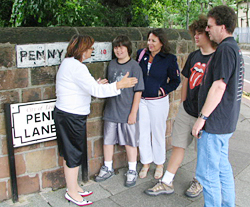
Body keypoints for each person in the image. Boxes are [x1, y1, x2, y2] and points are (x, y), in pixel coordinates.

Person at [54, 34, 138, 206]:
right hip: (71, 116)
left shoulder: (69, 63)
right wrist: (118, 85)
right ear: (82, 49)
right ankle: (71, 192)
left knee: (70, 153)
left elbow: (86, 87)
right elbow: (97, 92)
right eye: (90, 48)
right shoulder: (77, 67)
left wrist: (97, 84)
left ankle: (74, 186)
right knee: (73, 154)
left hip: (66, 114)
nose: (92, 51)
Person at [144, 15, 217, 197]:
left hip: (206, 114)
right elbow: (185, 79)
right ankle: (167, 181)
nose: (196, 37)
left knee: (203, 151)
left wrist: (206, 115)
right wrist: (183, 103)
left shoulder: (217, 58)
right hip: (188, 110)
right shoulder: (194, 55)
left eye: (200, 33)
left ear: (209, 34)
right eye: (195, 33)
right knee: (178, 145)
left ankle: (199, 181)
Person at [192, 6, 244, 207]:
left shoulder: (224, 49)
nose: (207, 30)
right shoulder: (234, 48)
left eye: (210, 26)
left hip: (214, 124)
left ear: (222, 27)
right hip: (226, 123)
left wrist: (201, 118)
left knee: (207, 175)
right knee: (222, 169)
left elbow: (219, 86)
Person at [95, 35, 144, 187]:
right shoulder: (111, 64)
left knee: (130, 142)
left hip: (127, 110)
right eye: (116, 47)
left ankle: (132, 169)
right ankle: (108, 167)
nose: (119, 50)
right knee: (108, 140)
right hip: (111, 109)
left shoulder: (135, 66)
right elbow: (111, 85)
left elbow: (138, 91)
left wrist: (133, 112)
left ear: (128, 48)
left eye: (122, 47)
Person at [137, 28, 181, 180]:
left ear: (161, 43)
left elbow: (176, 81)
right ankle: (146, 163)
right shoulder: (141, 54)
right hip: (142, 101)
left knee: (157, 132)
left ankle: (159, 163)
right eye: (149, 40)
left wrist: (162, 90)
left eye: (153, 41)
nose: (150, 43)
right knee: (142, 132)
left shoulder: (169, 59)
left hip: (158, 102)